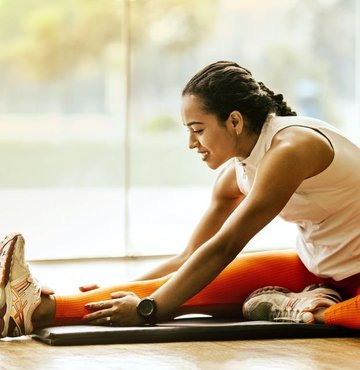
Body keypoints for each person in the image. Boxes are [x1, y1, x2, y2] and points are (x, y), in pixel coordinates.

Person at [1, 61, 359, 338]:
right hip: (317, 270)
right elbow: (190, 256)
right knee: (184, 285)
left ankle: (318, 311)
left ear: (234, 121)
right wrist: (126, 290)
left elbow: (227, 244)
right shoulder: (236, 174)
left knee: (169, 296)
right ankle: (28, 308)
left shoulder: (291, 150)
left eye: (198, 130)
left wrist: (150, 309)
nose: (192, 144)